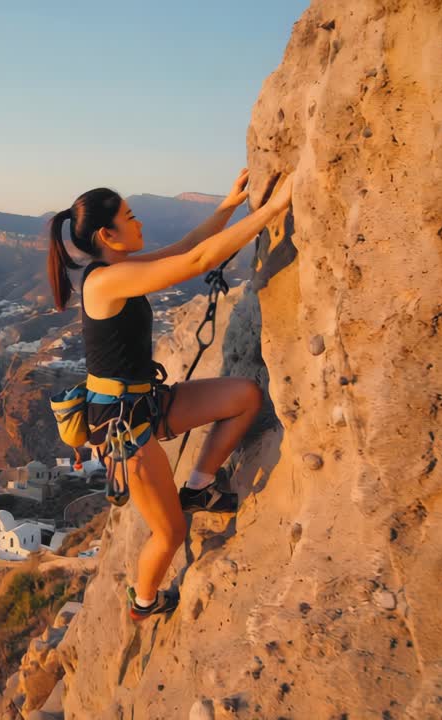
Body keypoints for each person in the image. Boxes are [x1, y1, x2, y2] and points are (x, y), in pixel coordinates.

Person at [45, 169, 294, 621]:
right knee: (170, 533)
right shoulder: (103, 282)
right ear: (107, 235)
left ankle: (198, 487)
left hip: (146, 403)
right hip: (122, 429)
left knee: (244, 396)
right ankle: (144, 601)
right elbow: (197, 261)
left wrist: (228, 206)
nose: (138, 223)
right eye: (130, 217)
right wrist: (274, 209)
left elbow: (186, 248)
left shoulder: (117, 270)